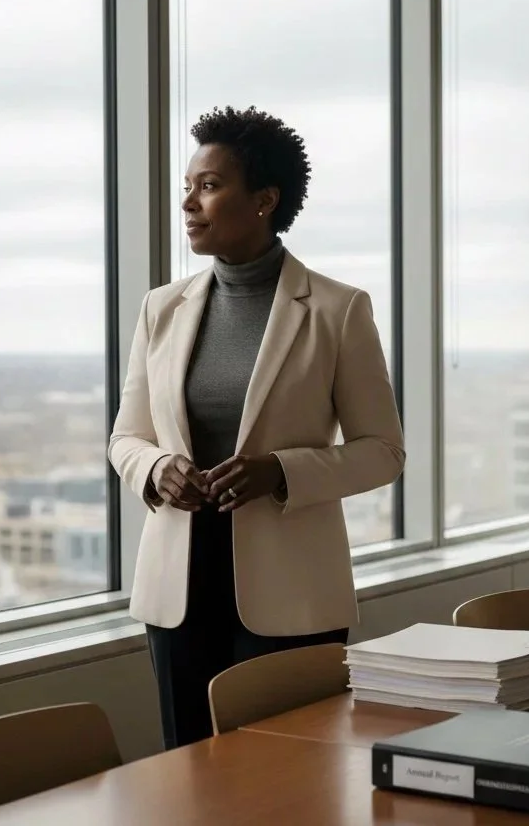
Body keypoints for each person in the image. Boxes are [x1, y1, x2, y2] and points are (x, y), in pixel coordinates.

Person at [108, 105, 405, 750]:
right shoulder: (161, 308)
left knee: (289, 775)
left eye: (210, 186)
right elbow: (126, 438)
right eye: (188, 186)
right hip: (178, 589)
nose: (189, 202)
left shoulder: (337, 310)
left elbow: (383, 451)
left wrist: (280, 471)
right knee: (187, 769)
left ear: (265, 200)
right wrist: (158, 469)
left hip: (293, 592)